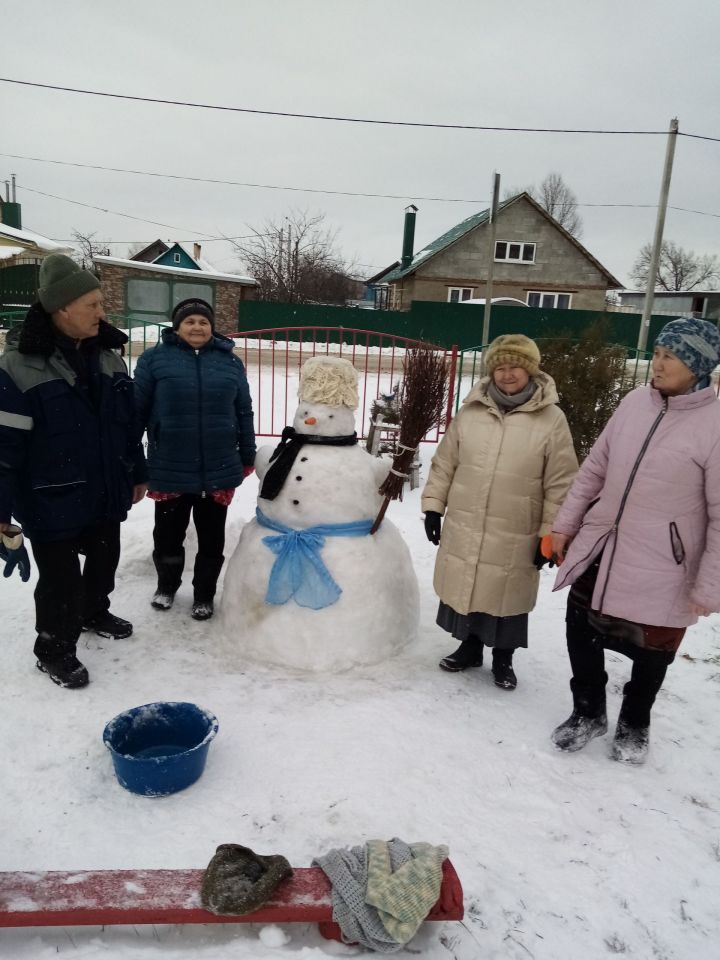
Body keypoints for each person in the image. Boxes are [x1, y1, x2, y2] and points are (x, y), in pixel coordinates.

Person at [550, 317, 720, 764]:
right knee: (580, 627)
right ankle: (587, 712)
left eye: (670, 357)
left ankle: (634, 724)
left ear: (698, 366)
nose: (657, 364)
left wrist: (709, 585)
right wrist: (565, 526)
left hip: (667, 565)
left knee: (653, 652)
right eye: (658, 354)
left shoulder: (714, 426)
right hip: (604, 545)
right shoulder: (633, 403)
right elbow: (594, 471)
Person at [0, 254, 147, 689]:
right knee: (61, 581)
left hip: (104, 485)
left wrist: (137, 469)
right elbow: (4, 446)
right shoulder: (17, 367)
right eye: (93, 304)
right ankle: (54, 649)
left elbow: (126, 425)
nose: (103, 313)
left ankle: (94, 610)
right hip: (48, 493)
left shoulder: (110, 358)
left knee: (105, 560)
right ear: (61, 309)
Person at [421, 334, 577, 689]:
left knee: (507, 592)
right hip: (468, 518)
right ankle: (470, 647)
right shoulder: (471, 412)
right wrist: (433, 507)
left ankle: (504, 659)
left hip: (517, 525)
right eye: (501, 368)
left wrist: (550, 533)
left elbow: (562, 482)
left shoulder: (551, 418)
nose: (507, 375)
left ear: (530, 371)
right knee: (469, 584)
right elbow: (445, 462)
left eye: (515, 368)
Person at [133, 298, 256, 621]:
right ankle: (167, 586)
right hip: (170, 463)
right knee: (167, 536)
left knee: (212, 540)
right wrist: (132, 456)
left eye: (203, 321)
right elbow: (137, 411)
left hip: (218, 464)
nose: (197, 327)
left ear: (212, 326)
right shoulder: (154, 360)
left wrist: (247, 453)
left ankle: (204, 594)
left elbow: (243, 410)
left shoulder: (230, 363)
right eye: (190, 322)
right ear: (177, 326)